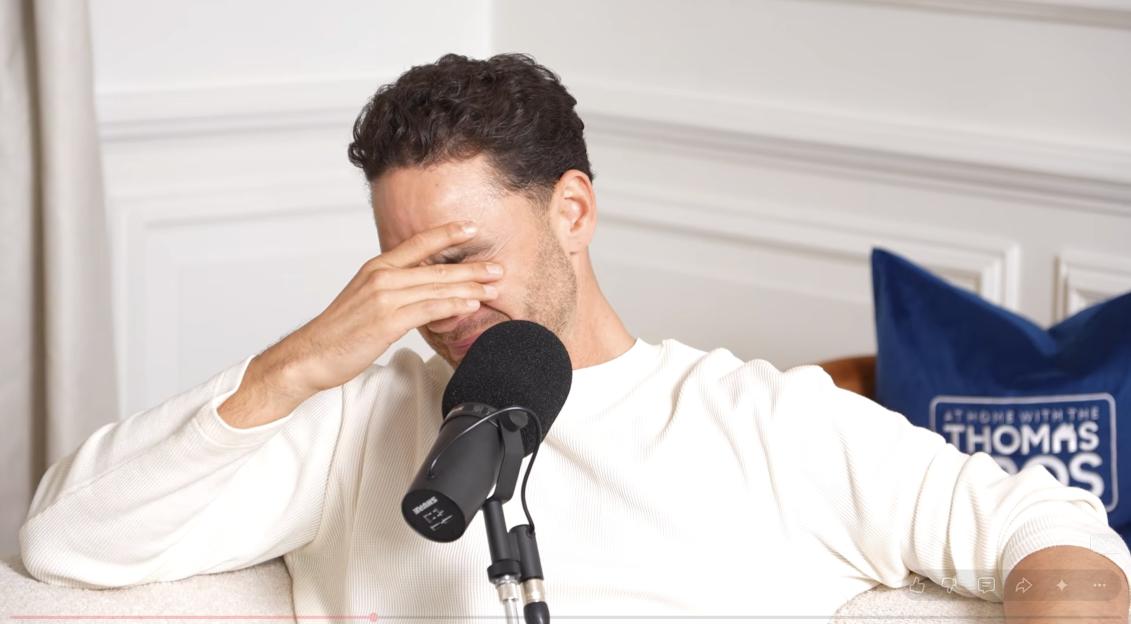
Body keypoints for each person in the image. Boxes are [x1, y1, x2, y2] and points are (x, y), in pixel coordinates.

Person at [18, 53, 1131, 621]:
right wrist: (308, 358)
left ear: (574, 213)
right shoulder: (357, 423)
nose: (434, 305)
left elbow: (1051, 530)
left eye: (460, 256)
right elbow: (67, 543)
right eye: (399, 266)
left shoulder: (762, 423)